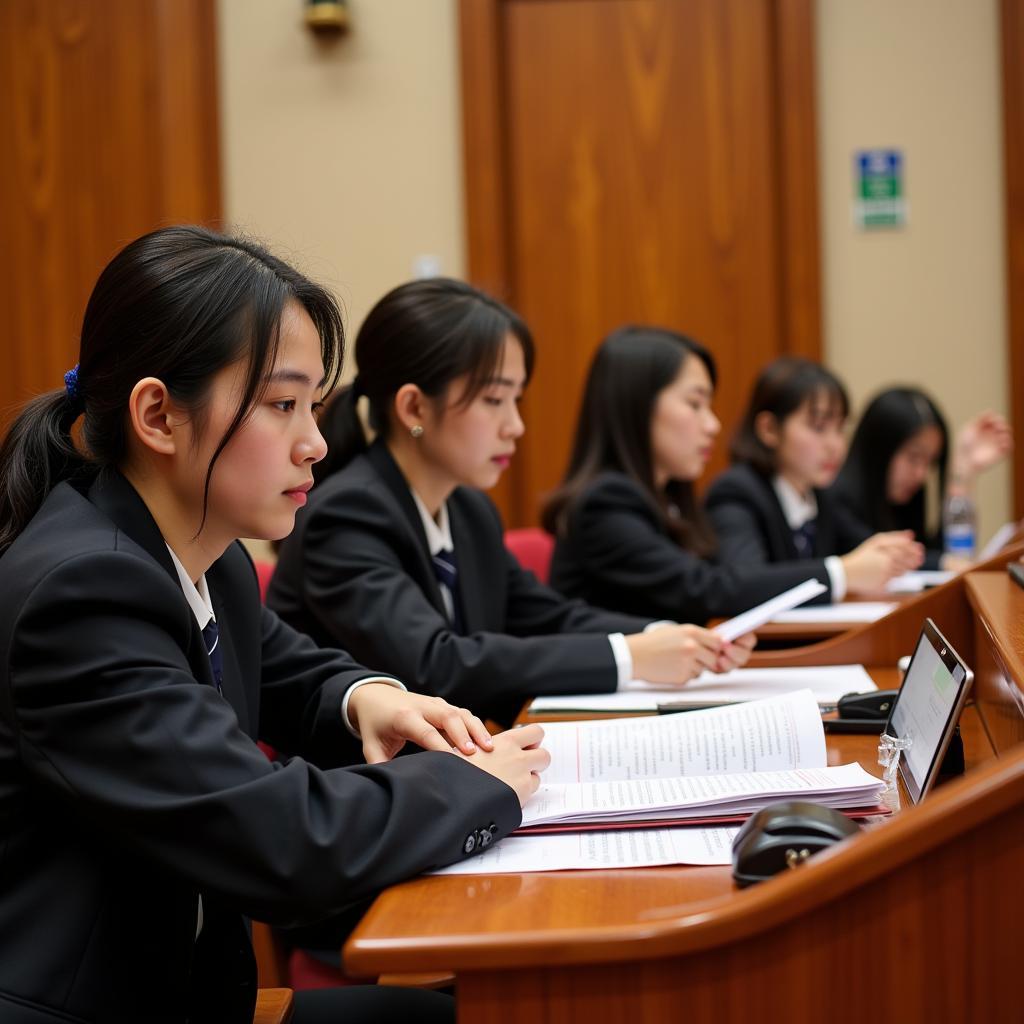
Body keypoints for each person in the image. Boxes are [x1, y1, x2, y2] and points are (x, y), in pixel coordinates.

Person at [0, 226, 550, 1024]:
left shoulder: (204, 552)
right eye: (283, 405)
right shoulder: (81, 592)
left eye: (315, 405)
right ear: (159, 415)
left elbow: (286, 668)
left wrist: (370, 698)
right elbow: (277, 838)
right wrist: (478, 784)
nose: (316, 444)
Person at [269, 279, 754, 729]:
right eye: (494, 400)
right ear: (414, 407)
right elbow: (434, 665)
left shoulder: (469, 511)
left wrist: (673, 634)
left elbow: (549, 616)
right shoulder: (348, 513)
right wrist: (630, 656)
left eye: (517, 399)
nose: (515, 426)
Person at [544, 327, 898, 622]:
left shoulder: (667, 499)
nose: (713, 425)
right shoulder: (605, 502)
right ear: (637, 407)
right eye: (695, 404)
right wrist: (841, 573)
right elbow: (707, 589)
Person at [704, 357, 922, 593]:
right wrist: (842, 572)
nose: (835, 445)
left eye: (840, 429)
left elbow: (862, 547)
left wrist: (897, 553)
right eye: (818, 427)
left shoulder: (821, 494)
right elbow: (744, 580)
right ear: (769, 429)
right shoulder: (736, 492)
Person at [829, 387, 1013, 569]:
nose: (921, 474)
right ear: (879, 448)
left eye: (930, 462)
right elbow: (886, 556)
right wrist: (945, 562)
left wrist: (964, 470)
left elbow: (938, 552)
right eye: (914, 457)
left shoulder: (902, 501)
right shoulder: (834, 498)